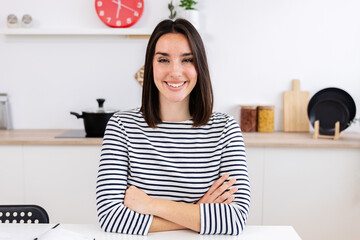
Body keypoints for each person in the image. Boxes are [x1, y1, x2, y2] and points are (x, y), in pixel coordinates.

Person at [96, 18, 250, 235]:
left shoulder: (225, 129)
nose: (175, 72)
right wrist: (199, 211)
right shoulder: (121, 127)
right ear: (151, 66)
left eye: (187, 60)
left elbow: (235, 219)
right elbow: (111, 218)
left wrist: (151, 205)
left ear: (200, 67)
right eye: (163, 60)